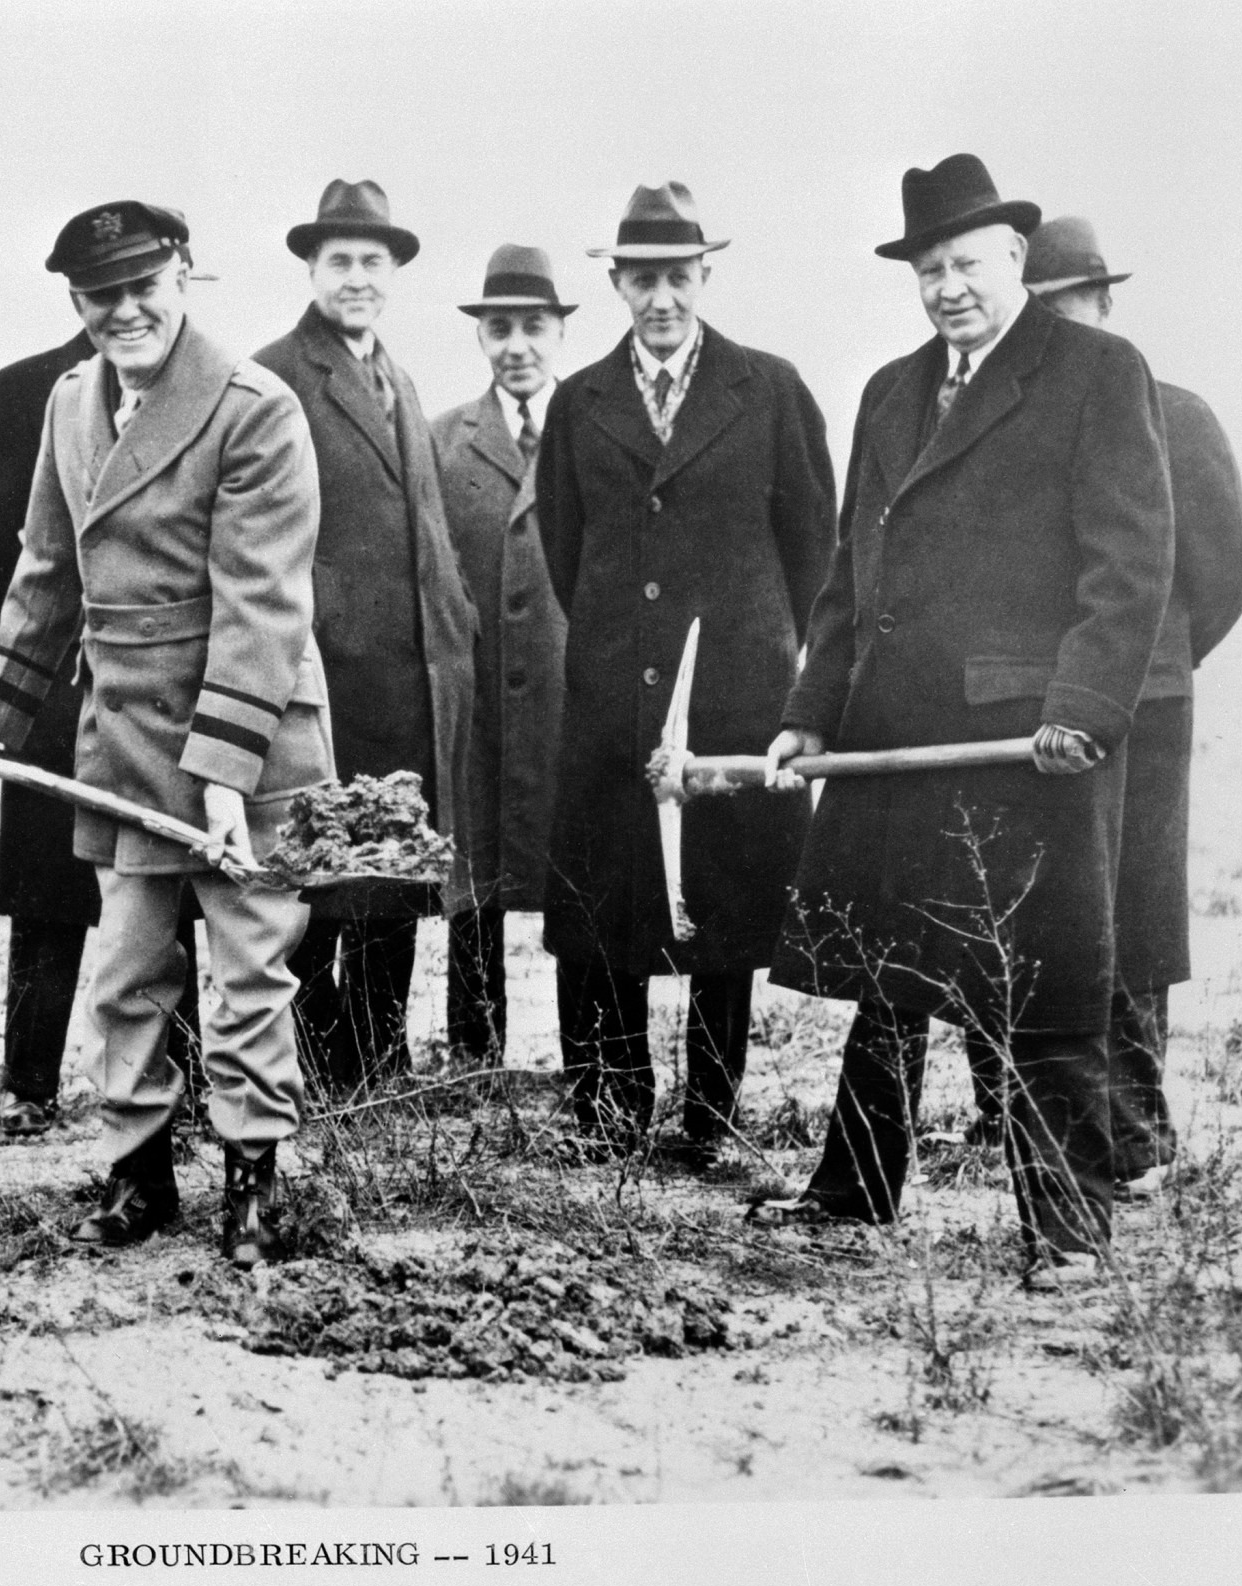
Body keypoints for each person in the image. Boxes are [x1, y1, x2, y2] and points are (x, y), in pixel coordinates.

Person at [755, 156, 1174, 1291]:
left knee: (1040, 986)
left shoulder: (1094, 372)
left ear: (1015, 263)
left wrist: (1082, 710)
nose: (947, 286)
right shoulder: (888, 392)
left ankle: (1067, 1230)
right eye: (927, 267)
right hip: (894, 736)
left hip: (1021, 745)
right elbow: (849, 577)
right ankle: (850, 1192)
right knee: (890, 974)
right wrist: (806, 714)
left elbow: (1126, 568)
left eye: (967, 264)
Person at [0, 201, 331, 1267]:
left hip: (245, 741)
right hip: (126, 743)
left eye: (141, 286)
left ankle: (250, 1182)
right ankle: (138, 1176)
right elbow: (43, 577)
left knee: (250, 970)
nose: (123, 311)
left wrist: (218, 779)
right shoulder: (69, 404)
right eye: (97, 294)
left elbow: (260, 609)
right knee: (129, 969)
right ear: (75, 302)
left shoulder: (256, 408)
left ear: (184, 276)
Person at [956, 217, 1242, 1202]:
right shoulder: (990, 422)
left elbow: (1225, 570)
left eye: (1068, 305)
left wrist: (1145, 665)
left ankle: (1129, 1137)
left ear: (1104, 302)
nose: (1054, 327)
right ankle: (1007, 1111)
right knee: (1006, 902)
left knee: (1126, 913)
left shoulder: (1176, 414)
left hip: (1140, 707)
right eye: (1033, 313)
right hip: (1013, 708)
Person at [535, 184, 834, 1163]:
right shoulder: (579, 402)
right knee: (605, 902)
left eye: (677, 277)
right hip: (614, 695)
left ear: (703, 276)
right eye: (641, 279)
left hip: (734, 695)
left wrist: (768, 662)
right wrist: (620, 647)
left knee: (725, 903)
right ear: (615, 283)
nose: (660, 297)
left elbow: (810, 545)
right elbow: (563, 543)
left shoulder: (770, 387)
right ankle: (609, 1103)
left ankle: (709, 1111)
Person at [253, 180, 477, 1093]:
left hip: (412, 675)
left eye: (372, 262)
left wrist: (450, 627)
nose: (356, 278)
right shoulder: (275, 374)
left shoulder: (400, 376)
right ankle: (313, 1055)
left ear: (392, 276)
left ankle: (378, 1059)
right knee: (314, 883)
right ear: (311, 269)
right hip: (329, 674)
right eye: (339, 261)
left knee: (394, 873)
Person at [0, 314, 205, 1139]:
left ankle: (191, 1078)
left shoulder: (199, 391)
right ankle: (28, 1083)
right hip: (61, 685)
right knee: (48, 892)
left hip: (164, 689)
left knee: (169, 878)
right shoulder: (32, 387)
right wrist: (44, 661)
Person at [429, 245, 574, 1066]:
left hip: (567, 697)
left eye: (533, 327)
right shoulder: (443, 441)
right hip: (478, 699)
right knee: (473, 878)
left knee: (576, 882)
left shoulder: (594, 427)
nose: (516, 345)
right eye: (499, 329)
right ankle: (474, 1056)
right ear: (480, 337)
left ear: (558, 333)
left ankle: (588, 1060)